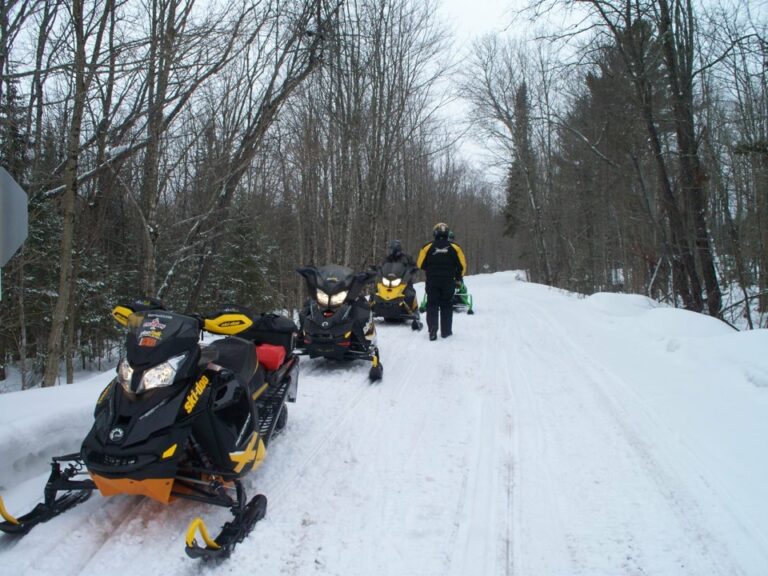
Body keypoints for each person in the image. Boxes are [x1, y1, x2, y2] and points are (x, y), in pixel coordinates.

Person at [416, 223, 467, 340]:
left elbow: (420, 264)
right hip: (448, 281)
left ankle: (432, 329)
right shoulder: (455, 248)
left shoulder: (427, 247)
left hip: (432, 280)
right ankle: (446, 331)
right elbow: (462, 266)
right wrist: (458, 277)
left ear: (435, 233)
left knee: (432, 304)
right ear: (447, 233)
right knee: (447, 305)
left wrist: (430, 269)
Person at [383, 239, 418, 311]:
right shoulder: (388, 258)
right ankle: (376, 306)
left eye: (392, 249)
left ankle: (413, 308)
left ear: (396, 249)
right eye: (390, 249)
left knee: (410, 292)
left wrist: (412, 269)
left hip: (403, 278)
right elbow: (383, 265)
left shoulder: (406, 257)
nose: (391, 251)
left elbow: (414, 265)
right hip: (390, 278)